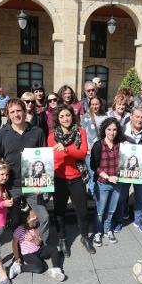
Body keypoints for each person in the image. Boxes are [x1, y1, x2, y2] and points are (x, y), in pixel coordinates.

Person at [0, 98, 50, 244]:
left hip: (33, 185)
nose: (16, 115)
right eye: (12, 112)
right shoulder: (2, 134)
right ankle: (19, 247)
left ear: (25, 111)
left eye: (19, 111)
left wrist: (44, 185)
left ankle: (43, 244)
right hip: (11, 186)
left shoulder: (37, 132)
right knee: (15, 219)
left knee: (44, 217)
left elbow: (44, 159)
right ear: (8, 115)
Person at [48, 105, 95, 256]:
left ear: (72, 116)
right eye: (61, 116)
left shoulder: (80, 132)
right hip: (59, 178)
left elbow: (82, 153)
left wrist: (66, 150)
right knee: (59, 211)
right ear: (57, 119)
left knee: (82, 211)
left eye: (67, 115)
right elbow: (53, 158)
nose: (65, 119)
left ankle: (85, 237)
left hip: (77, 178)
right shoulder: (52, 136)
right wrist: (64, 153)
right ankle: (62, 238)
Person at [90, 117, 124, 246]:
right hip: (103, 183)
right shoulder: (98, 145)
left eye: (115, 129)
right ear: (104, 130)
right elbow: (94, 166)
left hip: (117, 184)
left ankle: (107, 229)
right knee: (100, 210)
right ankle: (98, 232)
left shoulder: (120, 144)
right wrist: (108, 177)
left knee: (111, 209)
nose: (112, 132)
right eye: (109, 129)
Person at [8, 210, 66, 282]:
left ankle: (56, 269)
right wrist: (17, 258)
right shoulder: (19, 230)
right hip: (28, 254)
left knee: (53, 249)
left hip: (39, 251)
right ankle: (19, 268)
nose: (35, 223)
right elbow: (14, 245)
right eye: (33, 221)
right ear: (27, 219)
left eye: (36, 221)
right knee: (40, 268)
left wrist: (33, 239)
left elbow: (39, 243)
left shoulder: (35, 228)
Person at [80, 96, 108, 197]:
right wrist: (84, 147)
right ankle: (91, 192)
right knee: (92, 172)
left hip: (101, 150)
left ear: (100, 105)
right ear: (89, 105)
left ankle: (92, 191)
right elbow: (81, 133)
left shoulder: (105, 117)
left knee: (97, 172)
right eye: (92, 104)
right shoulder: (86, 117)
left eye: (97, 104)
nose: (95, 106)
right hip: (89, 150)